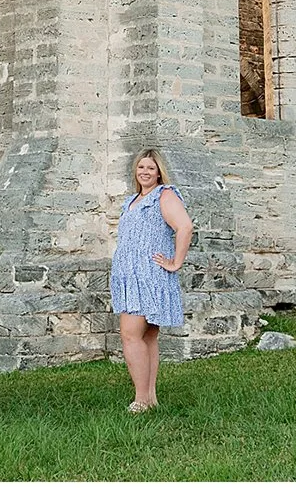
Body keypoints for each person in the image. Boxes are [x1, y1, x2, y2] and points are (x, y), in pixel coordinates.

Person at [110, 147, 192, 414]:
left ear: (159, 173)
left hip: (147, 276)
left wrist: (176, 261)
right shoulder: (132, 199)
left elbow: (185, 227)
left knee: (130, 335)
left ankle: (141, 399)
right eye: (141, 167)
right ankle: (150, 398)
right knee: (146, 337)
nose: (145, 172)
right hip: (129, 274)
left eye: (151, 168)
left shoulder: (164, 195)